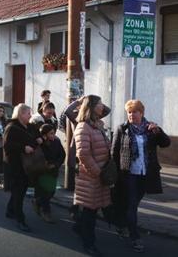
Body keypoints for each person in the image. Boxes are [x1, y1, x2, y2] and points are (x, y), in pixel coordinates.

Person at [111, 100, 170, 253]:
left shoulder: (151, 128)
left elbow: (166, 143)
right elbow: (114, 153)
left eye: (134, 112)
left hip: (146, 174)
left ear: (141, 113)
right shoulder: (122, 129)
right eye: (129, 112)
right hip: (128, 174)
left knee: (133, 205)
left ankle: (122, 224)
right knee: (131, 206)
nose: (131, 115)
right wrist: (114, 175)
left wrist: (159, 131)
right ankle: (135, 237)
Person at [73, 95, 111, 256]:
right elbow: (83, 155)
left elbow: (107, 111)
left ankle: (80, 228)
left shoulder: (97, 125)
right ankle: (88, 243)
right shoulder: (83, 127)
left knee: (92, 211)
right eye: (100, 104)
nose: (103, 106)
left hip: (99, 177)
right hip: (91, 177)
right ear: (92, 107)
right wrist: (98, 172)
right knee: (90, 212)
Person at [3, 104, 41, 232]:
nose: (30, 116)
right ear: (21, 114)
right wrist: (23, 148)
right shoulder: (11, 127)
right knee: (19, 192)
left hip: (27, 164)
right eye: (28, 113)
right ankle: (20, 220)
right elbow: (7, 146)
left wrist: (38, 139)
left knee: (20, 190)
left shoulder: (29, 126)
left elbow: (34, 137)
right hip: (15, 165)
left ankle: (10, 210)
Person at [33, 124, 65, 224]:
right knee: (45, 192)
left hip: (53, 170)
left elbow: (62, 154)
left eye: (54, 133)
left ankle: (38, 202)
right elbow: (35, 155)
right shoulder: (40, 143)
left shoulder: (56, 142)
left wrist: (55, 165)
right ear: (45, 134)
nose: (53, 135)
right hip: (42, 171)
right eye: (51, 133)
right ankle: (46, 212)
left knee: (51, 191)